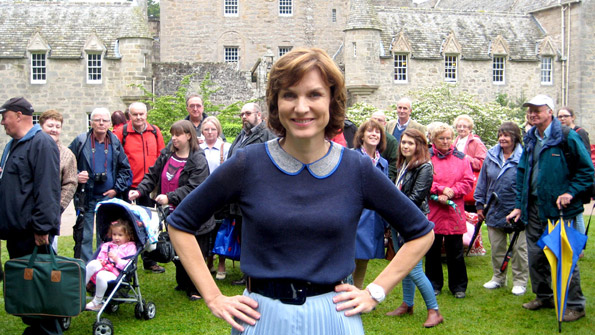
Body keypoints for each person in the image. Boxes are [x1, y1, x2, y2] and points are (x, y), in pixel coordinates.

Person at [166, 47, 434, 334]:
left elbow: (421, 232)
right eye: (289, 95)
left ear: (332, 100)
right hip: (261, 317)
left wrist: (375, 291)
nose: (301, 107)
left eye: (314, 94)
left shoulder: (356, 169)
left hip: (333, 317)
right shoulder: (248, 163)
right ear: (276, 103)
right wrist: (214, 295)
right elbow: (180, 224)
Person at [506, 95, 593, 322]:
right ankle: (544, 296)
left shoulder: (566, 136)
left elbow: (587, 170)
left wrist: (570, 192)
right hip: (534, 207)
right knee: (536, 255)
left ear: (550, 112)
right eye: (530, 111)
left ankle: (575, 305)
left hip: (559, 209)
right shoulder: (531, 137)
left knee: (563, 255)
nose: (532, 114)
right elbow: (523, 174)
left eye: (537, 110)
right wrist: (518, 206)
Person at [129, 120, 213, 300]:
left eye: (178, 135)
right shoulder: (167, 153)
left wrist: (170, 197)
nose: (173, 138)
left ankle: (196, 289)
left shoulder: (198, 159)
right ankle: (183, 282)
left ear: (188, 136)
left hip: (195, 215)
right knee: (179, 249)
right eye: (172, 135)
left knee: (195, 252)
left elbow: (194, 187)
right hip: (173, 214)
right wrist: (140, 190)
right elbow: (152, 174)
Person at [0, 97, 63, 334]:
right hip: (16, 233)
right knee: (27, 289)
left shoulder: (42, 143)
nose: (2, 122)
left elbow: (47, 189)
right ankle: (35, 329)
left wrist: (42, 228)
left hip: (32, 234)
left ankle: (48, 330)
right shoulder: (14, 144)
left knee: (40, 289)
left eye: (4, 116)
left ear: (18, 115)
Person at [386, 128, 443, 328]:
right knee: (405, 265)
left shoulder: (425, 166)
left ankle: (434, 311)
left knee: (414, 268)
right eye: (404, 143)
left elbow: (416, 198)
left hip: (413, 221)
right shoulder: (404, 164)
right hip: (398, 218)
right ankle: (407, 304)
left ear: (419, 146)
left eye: (411, 143)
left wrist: (395, 212)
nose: (406, 146)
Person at [69, 107, 132, 263]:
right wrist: (77, 174)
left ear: (109, 123)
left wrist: (116, 189)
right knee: (85, 235)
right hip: (86, 196)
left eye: (104, 120)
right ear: (91, 123)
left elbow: (125, 169)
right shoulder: (81, 141)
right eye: (97, 120)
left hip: (108, 197)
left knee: (105, 234)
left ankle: (103, 265)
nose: (101, 123)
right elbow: (65, 163)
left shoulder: (115, 142)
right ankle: (85, 268)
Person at [474, 122, 528, 296]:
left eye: (507, 135)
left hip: (516, 208)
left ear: (515, 137)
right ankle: (498, 277)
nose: (502, 138)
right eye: (500, 135)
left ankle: (520, 281)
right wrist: (479, 204)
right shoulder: (491, 155)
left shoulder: (524, 156)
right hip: (494, 209)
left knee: (519, 249)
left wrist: (523, 206)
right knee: (497, 247)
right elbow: (482, 181)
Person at [226, 101, 276, 286]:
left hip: (258, 196)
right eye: (242, 114)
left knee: (257, 237)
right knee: (243, 236)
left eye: (247, 113)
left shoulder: (268, 136)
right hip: (239, 197)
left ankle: (259, 273)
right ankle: (248, 274)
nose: (244, 117)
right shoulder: (241, 136)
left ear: (259, 116)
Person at [114, 102, 166, 273]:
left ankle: (149, 261)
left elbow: (161, 157)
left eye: (141, 114)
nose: (138, 118)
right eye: (135, 114)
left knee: (150, 224)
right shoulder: (121, 133)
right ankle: (126, 260)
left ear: (146, 115)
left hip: (150, 186)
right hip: (129, 186)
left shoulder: (154, 131)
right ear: (129, 115)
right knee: (127, 224)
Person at [426, 122, 473, 298]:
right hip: (434, 210)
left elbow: (468, 181)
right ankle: (433, 284)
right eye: (441, 138)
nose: (445, 142)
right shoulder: (427, 157)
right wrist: (440, 190)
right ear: (433, 139)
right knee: (432, 251)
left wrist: (452, 192)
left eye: (448, 138)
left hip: (454, 211)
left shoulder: (462, 158)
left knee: (456, 251)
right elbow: (423, 179)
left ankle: (459, 286)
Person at [351, 119, 389, 289]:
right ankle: (342, 290)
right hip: (356, 215)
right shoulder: (352, 157)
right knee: (350, 256)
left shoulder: (383, 163)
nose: (374, 134)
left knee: (364, 257)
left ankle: (357, 290)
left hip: (374, 217)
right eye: (370, 131)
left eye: (378, 132)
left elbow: (385, 191)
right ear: (362, 136)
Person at [39, 110, 78, 251]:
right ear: (41, 126)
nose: (54, 130)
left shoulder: (67, 155)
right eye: (50, 126)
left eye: (57, 126)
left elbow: (71, 183)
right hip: (29, 209)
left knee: (49, 249)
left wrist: (58, 206)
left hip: (52, 210)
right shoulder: (32, 148)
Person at [199, 116, 231, 280]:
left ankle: (221, 263)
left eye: (213, 129)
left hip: (221, 195)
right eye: (206, 129)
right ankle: (208, 261)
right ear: (202, 132)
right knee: (206, 229)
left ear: (218, 130)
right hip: (203, 194)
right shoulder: (198, 148)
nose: (210, 132)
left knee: (221, 229)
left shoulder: (226, 148)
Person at [85, 218, 137, 311]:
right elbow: (100, 256)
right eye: (114, 234)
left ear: (128, 236)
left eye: (120, 235)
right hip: (104, 267)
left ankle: (97, 302)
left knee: (101, 275)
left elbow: (129, 265)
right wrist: (100, 261)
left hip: (117, 273)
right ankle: (80, 289)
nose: (116, 238)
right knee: (92, 264)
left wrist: (117, 260)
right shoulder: (107, 245)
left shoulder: (130, 247)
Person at [557, 106, 591, 236]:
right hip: (566, 179)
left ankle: (579, 245)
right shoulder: (560, 133)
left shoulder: (579, 132)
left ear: (572, 117)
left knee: (576, 214)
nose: (562, 119)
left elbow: (585, 156)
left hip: (576, 180)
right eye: (560, 116)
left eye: (565, 116)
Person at [453, 114, 487, 212]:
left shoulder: (476, 142)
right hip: (457, 182)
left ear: (470, 128)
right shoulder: (455, 141)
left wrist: (467, 158)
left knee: (471, 215)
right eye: (459, 126)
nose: (462, 129)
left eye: (465, 126)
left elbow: (483, 163)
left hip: (470, 182)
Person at [371, 111, 399, 182]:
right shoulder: (363, 136)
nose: (376, 122)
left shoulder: (391, 141)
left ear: (384, 123)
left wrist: (386, 181)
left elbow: (394, 163)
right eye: (374, 119)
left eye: (380, 120)